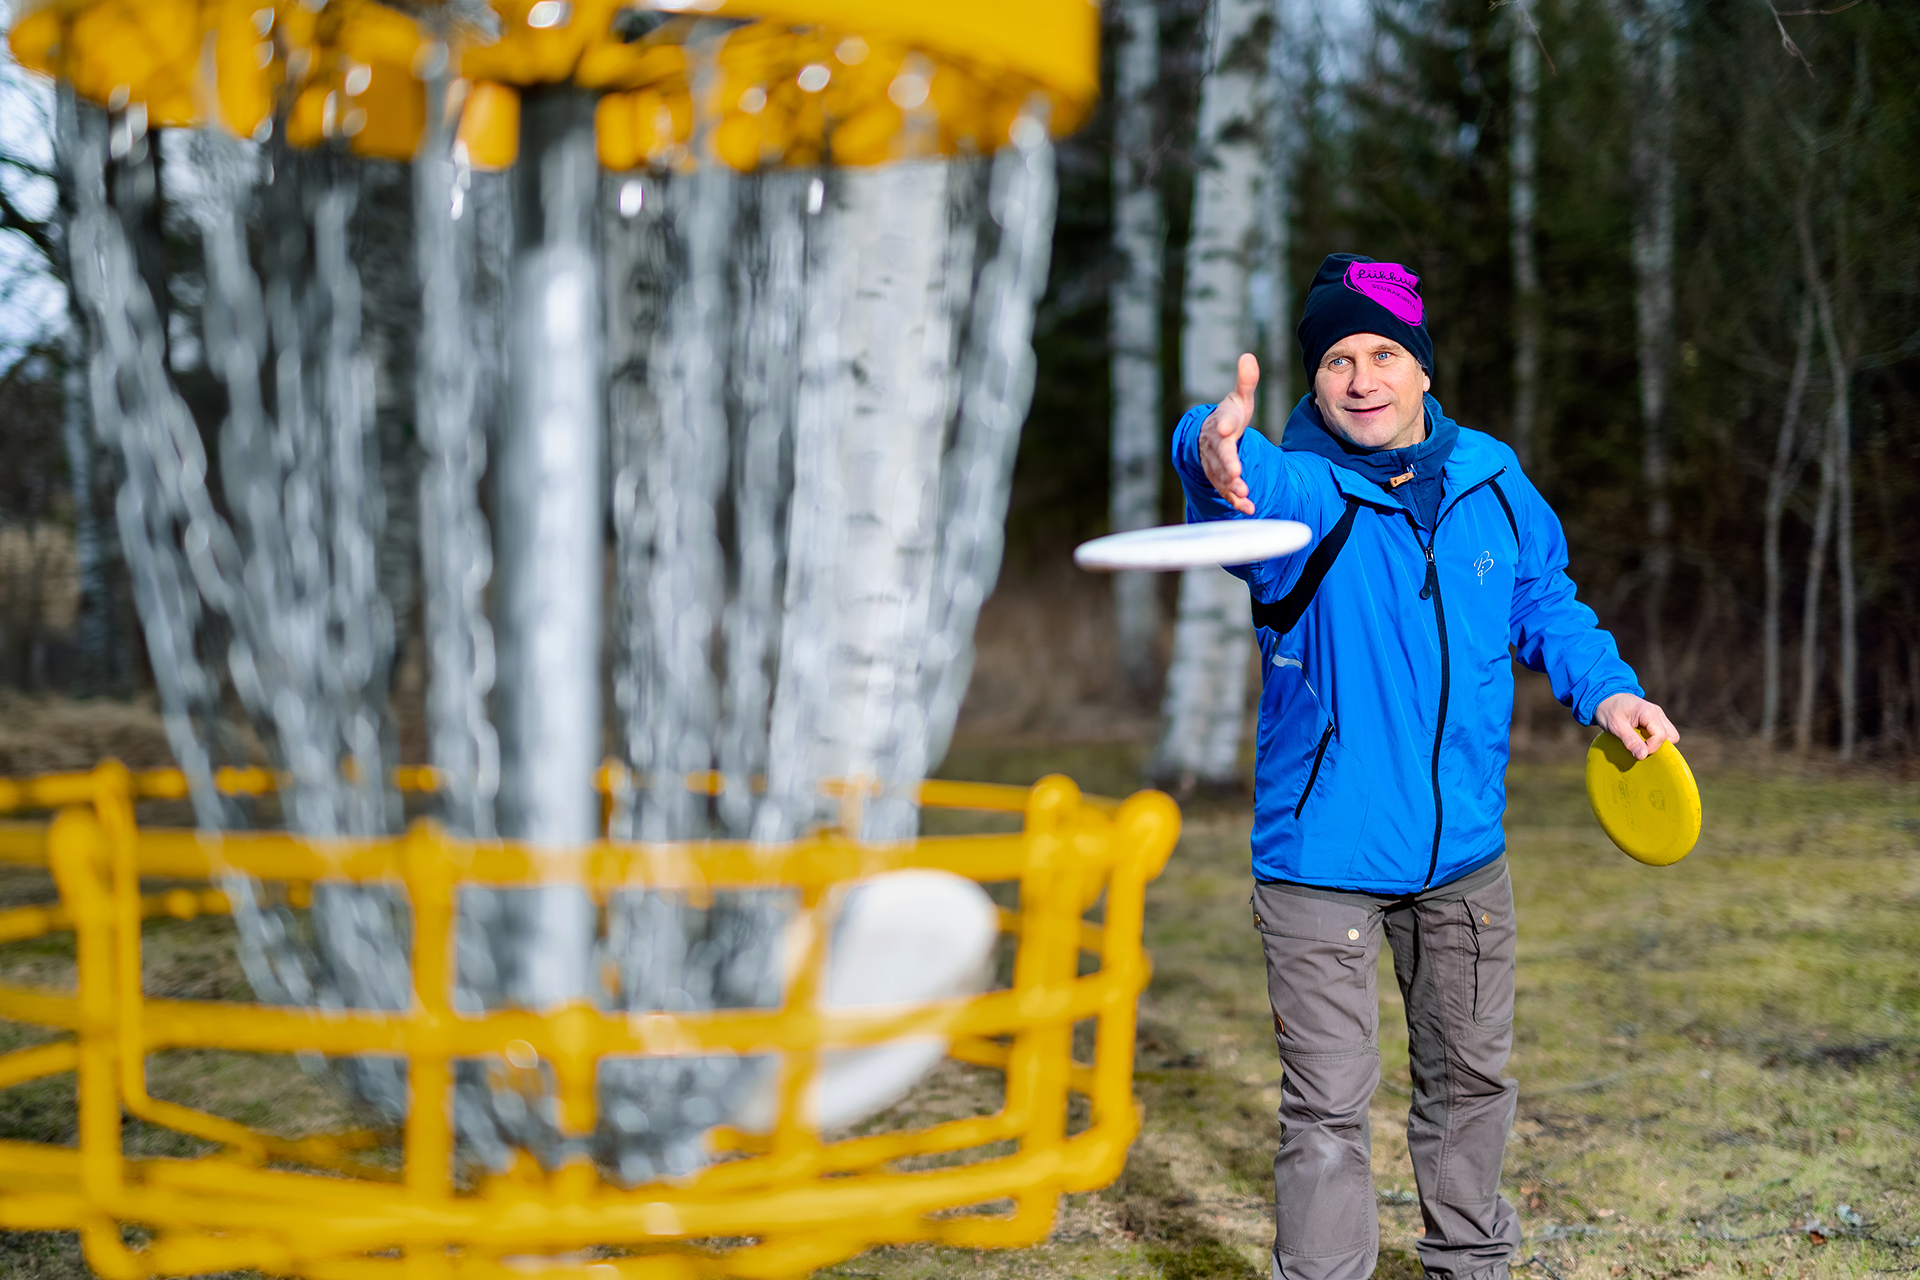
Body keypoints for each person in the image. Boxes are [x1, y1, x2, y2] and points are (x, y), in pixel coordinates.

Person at [1171, 253, 1678, 1280]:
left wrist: (1609, 688)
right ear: (1314, 380)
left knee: (1471, 1084)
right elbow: (1231, 477)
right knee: (1327, 1110)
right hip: (1324, 861)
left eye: (1385, 353)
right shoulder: (1301, 494)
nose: (1363, 377)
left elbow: (1545, 602)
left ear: (1424, 368)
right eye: (1339, 358)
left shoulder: (1494, 477)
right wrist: (1205, 446)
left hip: (1465, 861)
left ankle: (1471, 1267)